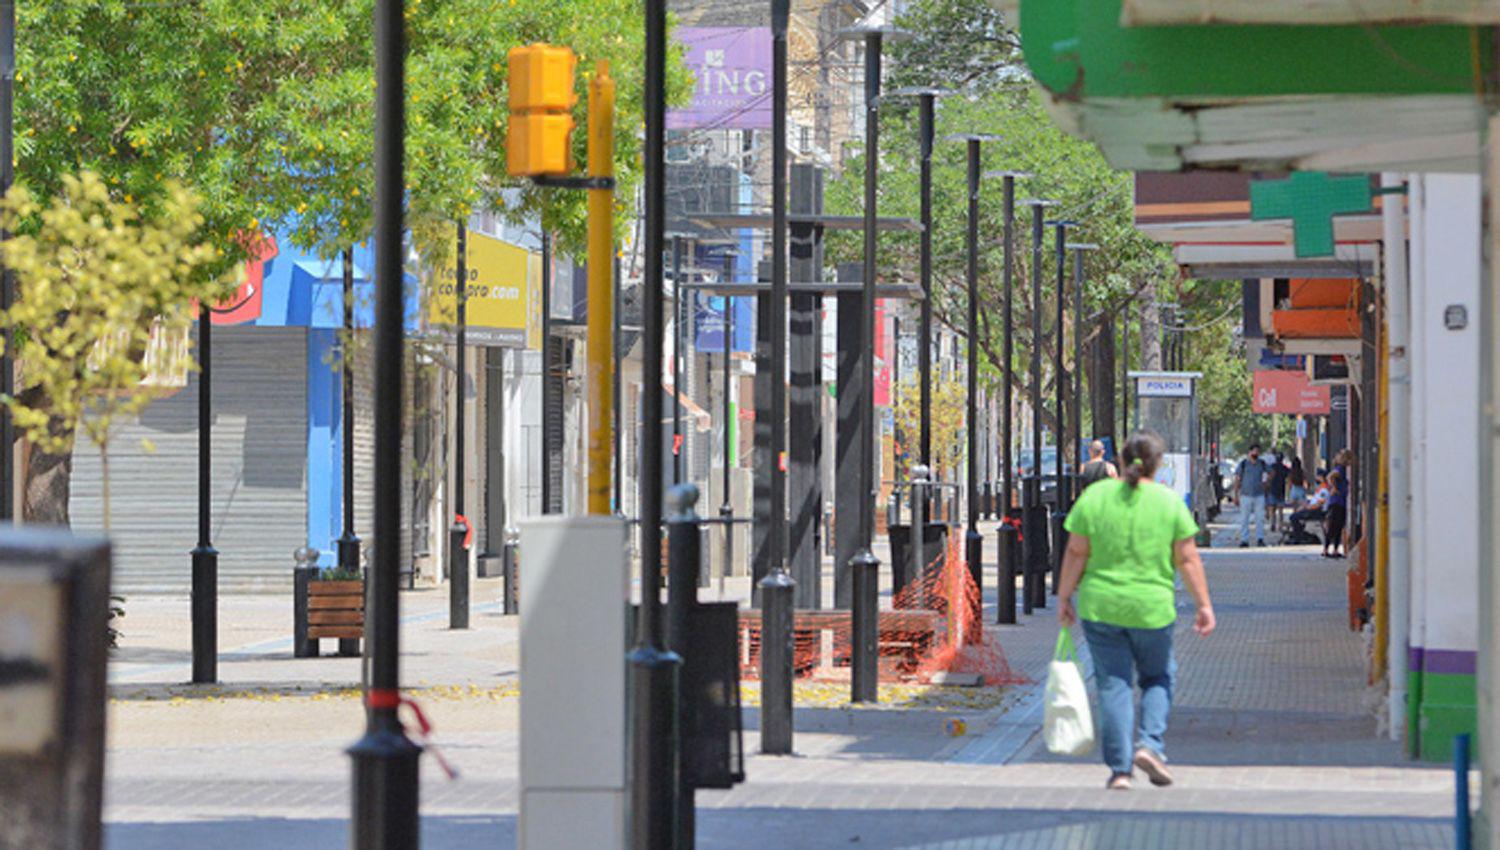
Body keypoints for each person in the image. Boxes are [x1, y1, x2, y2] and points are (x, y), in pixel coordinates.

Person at [1057, 430, 1215, 791]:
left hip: (1101, 606)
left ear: (1123, 460)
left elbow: (1076, 551)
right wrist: (1203, 605)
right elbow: (1188, 557)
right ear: (1158, 465)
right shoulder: (1167, 501)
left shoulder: (1095, 498)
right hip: (1152, 609)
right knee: (1158, 677)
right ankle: (1151, 746)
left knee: (1113, 684)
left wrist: (1065, 596)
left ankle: (1120, 770)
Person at [1233, 444, 1270, 547]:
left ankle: (1260, 538)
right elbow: (1237, 479)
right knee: (1244, 518)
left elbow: (1271, 472)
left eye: (1257, 452)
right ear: (1249, 452)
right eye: (1254, 451)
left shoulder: (1262, 464)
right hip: (1245, 495)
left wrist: (1266, 482)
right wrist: (1236, 495)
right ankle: (1244, 539)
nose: (1255, 454)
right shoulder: (1243, 464)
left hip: (1259, 495)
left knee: (1260, 518)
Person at [1286, 473, 1328, 546]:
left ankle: (1298, 537)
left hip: (1316, 511)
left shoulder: (1324, 490)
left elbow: (1319, 504)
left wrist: (1307, 507)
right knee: (1295, 516)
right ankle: (1300, 535)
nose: (1317, 479)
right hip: (1312, 509)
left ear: (1322, 478)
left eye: (1318, 477)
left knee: (1294, 517)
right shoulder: (1320, 488)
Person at [1324, 466, 1349, 558]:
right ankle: (1326, 549)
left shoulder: (1344, 470)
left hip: (1341, 502)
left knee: (1339, 527)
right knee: (1332, 526)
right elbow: (1330, 476)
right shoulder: (1341, 469)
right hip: (1336, 502)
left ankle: (1335, 549)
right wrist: (1334, 487)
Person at [1265, 450, 1289, 533]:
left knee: (1272, 509)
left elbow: (1268, 477)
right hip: (1281, 491)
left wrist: (1266, 486)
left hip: (1272, 490)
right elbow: (1288, 480)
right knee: (1280, 510)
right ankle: (1280, 525)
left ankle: (1273, 524)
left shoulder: (1271, 467)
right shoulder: (1285, 468)